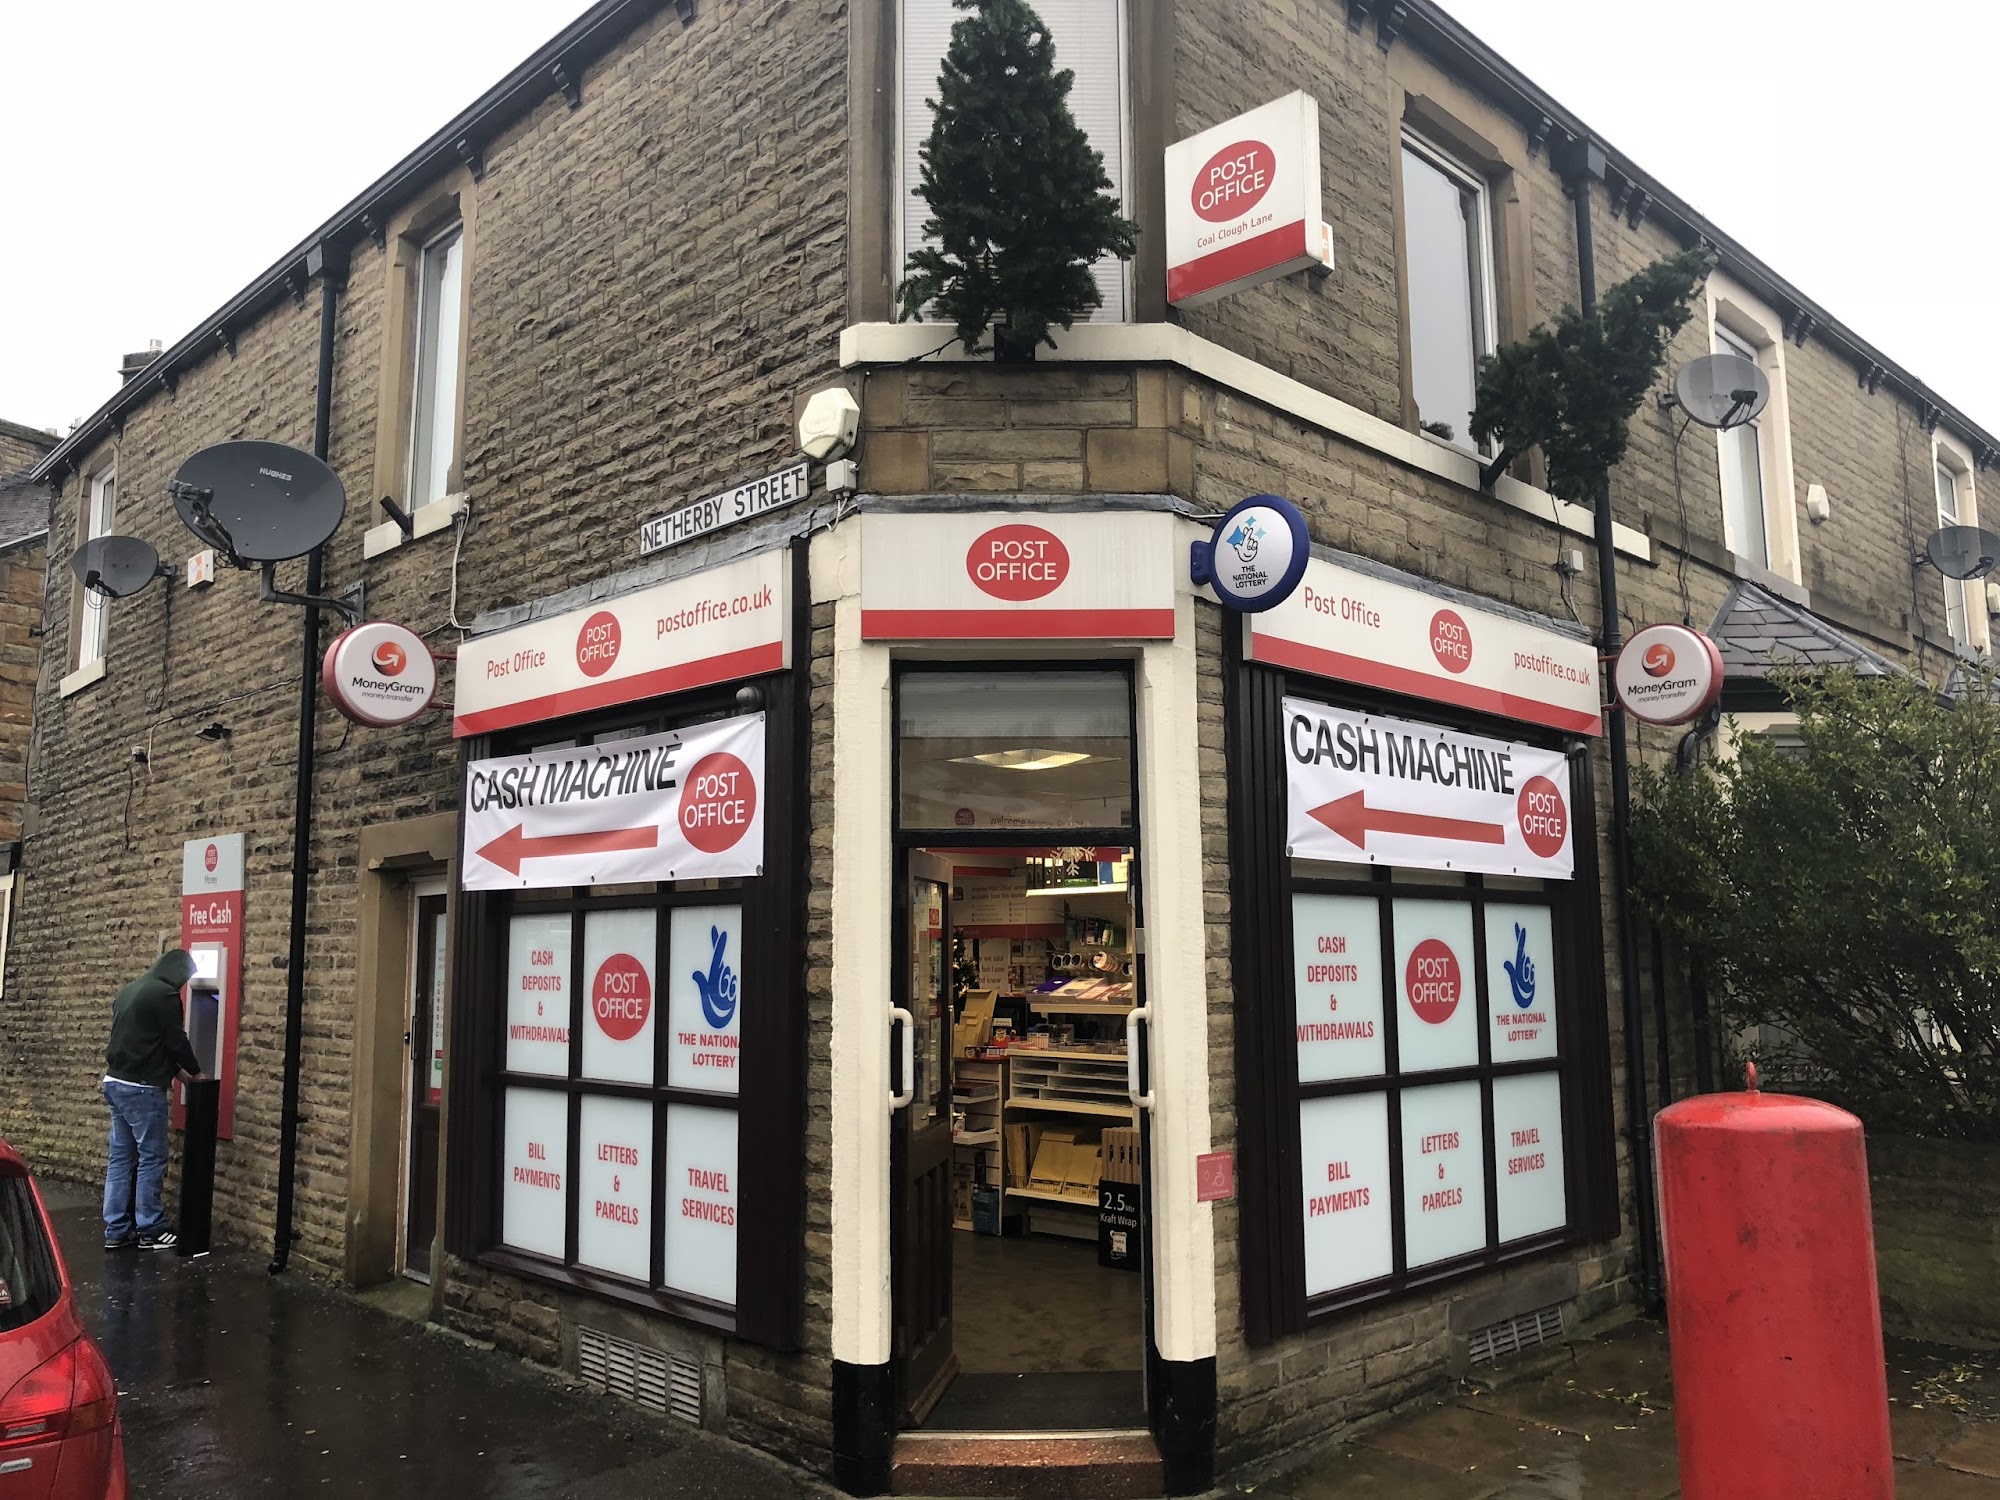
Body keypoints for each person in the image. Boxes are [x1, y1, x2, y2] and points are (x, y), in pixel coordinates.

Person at [103, 949, 202, 1251]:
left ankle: (116, 1229)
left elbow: (143, 1041)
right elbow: (174, 1041)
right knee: (151, 1157)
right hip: (142, 1089)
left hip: (115, 1082)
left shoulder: (130, 990)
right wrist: (195, 1071)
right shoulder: (165, 996)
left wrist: (176, 1073)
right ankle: (151, 1228)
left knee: (121, 1158)